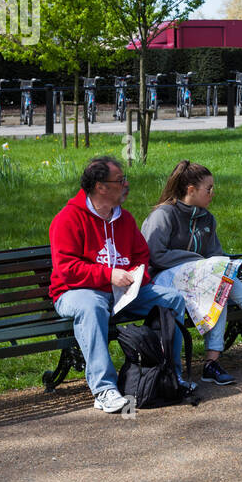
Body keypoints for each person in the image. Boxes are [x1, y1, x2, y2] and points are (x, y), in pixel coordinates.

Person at [49, 155, 193, 413]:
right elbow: (67, 270)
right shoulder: (68, 218)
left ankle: (170, 374)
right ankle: (104, 388)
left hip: (123, 293)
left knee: (172, 299)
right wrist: (108, 275)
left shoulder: (124, 219)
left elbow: (141, 256)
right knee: (92, 307)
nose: (126, 184)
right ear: (100, 187)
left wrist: (137, 278)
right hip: (76, 292)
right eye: (120, 180)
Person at [141, 160, 242, 386]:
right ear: (191, 190)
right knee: (216, 278)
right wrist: (199, 262)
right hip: (162, 281)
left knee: (219, 285)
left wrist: (209, 267)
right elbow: (154, 255)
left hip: (201, 280)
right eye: (209, 189)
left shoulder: (207, 219)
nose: (213, 193)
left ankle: (211, 363)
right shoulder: (164, 215)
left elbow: (216, 256)